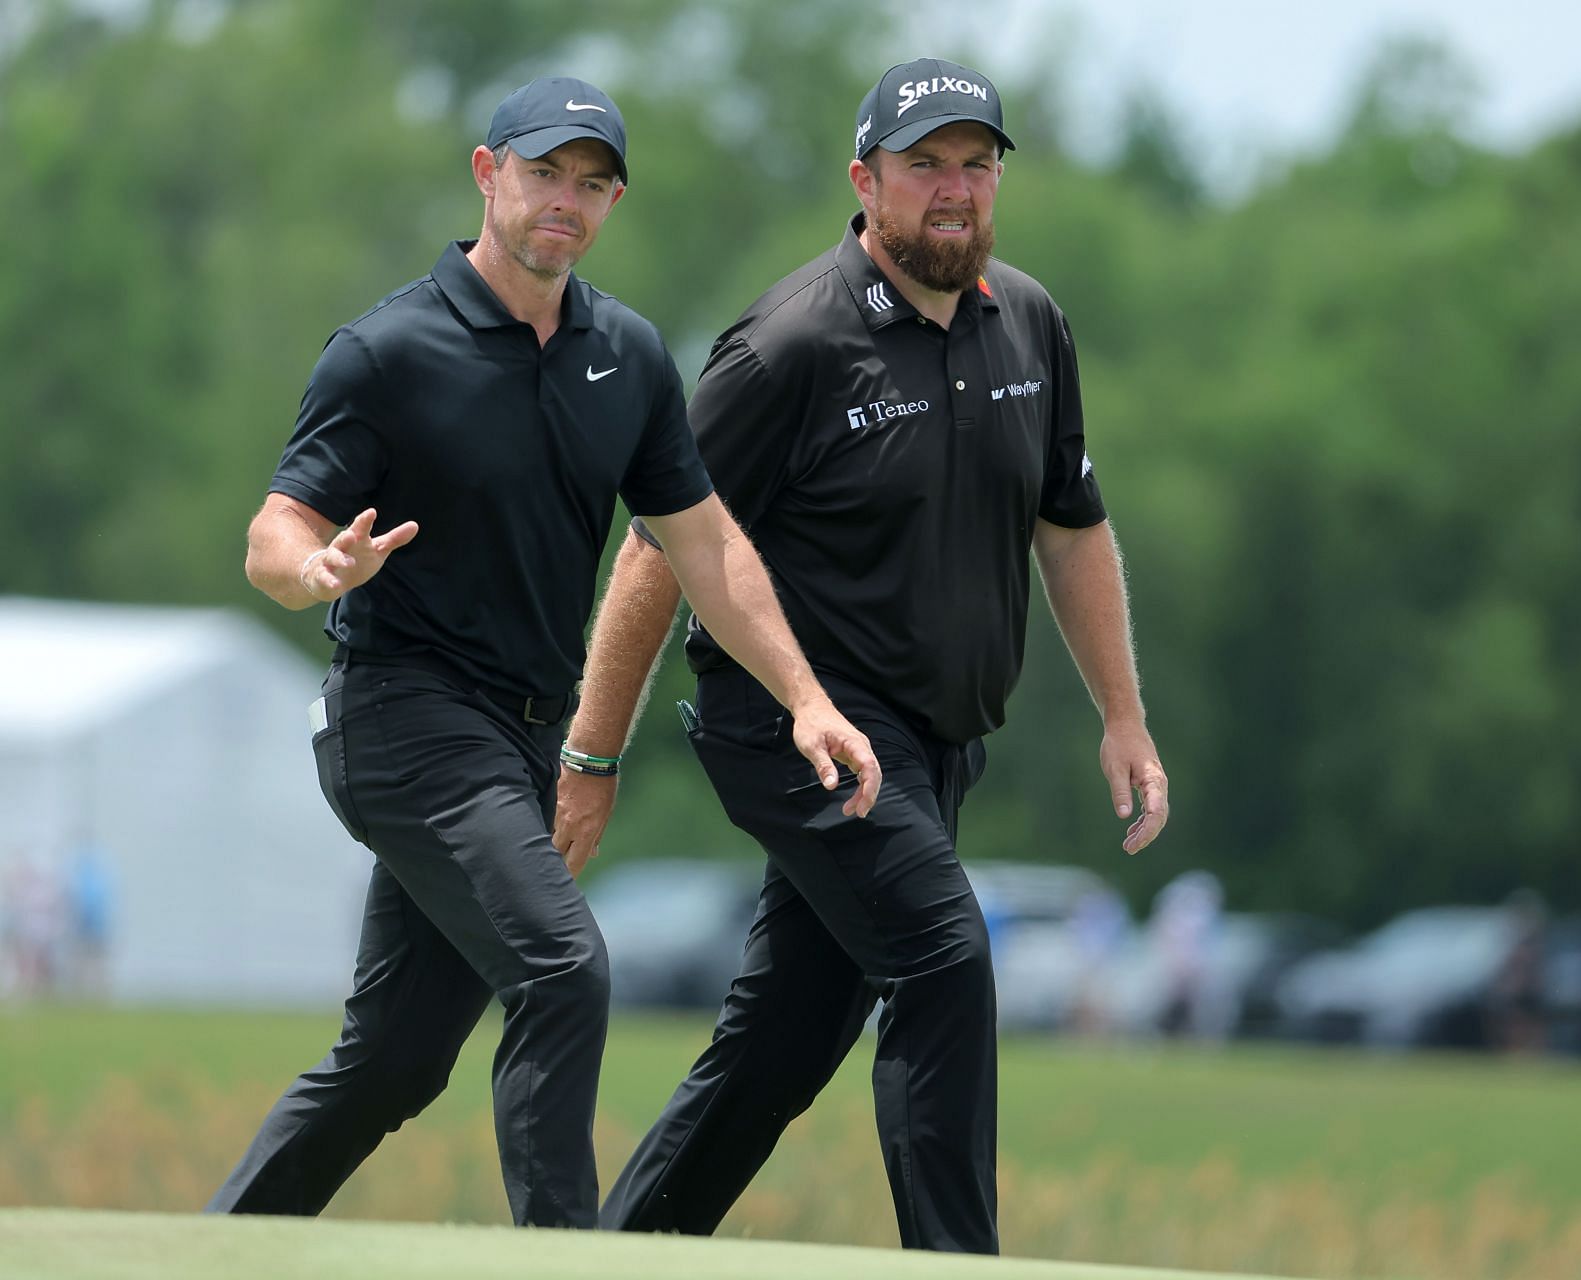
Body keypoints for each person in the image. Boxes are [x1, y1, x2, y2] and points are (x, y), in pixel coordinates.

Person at [209, 75, 879, 1230]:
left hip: (519, 738)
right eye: (542, 173)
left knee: (399, 1057)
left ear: (613, 201)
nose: (564, 200)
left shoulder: (624, 354)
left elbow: (707, 547)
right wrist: (313, 569)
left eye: (592, 182)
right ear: (487, 173)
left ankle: (209, 1250)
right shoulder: (386, 350)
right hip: (399, 716)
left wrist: (805, 697)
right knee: (566, 969)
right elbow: (277, 526)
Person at [553, 58, 1170, 1252]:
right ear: (866, 181)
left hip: (935, 749)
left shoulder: (1030, 321)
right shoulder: (790, 344)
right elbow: (655, 555)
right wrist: (592, 751)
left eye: (976, 164)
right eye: (925, 165)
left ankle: (614, 1253)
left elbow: (1072, 522)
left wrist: (1124, 713)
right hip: (796, 727)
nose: (954, 190)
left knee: (783, 1041)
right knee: (945, 957)